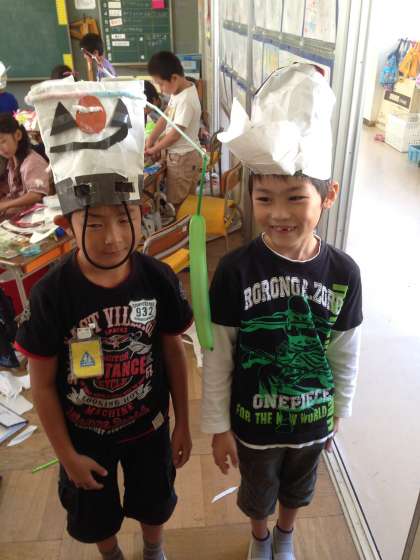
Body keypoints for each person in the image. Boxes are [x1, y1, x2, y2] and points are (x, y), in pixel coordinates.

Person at [16, 77, 192, 560]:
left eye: (124, 218)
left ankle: (153, 551)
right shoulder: (52, 295)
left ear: (141, 213)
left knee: (155, 499)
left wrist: (183, 422)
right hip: (83, 436)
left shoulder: (157, 279)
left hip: (149, 427)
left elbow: (173, 351)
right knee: (92, 511)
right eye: (94, 223)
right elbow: (42, 385)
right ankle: (112, 555)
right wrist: (65, 455)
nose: (113, 237)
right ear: (67, 226)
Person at [202, 64, 363, 560]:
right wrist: (219, 425)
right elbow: (219, 356)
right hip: (253, 421)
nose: (278, 213)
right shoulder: (235, 270)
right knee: (258, 492)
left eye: (295, 198)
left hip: (312, 419)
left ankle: (286, 535)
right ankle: (260, 537)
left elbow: (345, 350)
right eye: (264, 198)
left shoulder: (343, 273)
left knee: (298, 488)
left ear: (328, 196)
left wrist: (339, 411)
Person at [145, 51, 202, 209]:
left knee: (180, 204)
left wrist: (155, 148)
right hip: (180, 156)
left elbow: (175, 135)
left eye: (161, 84)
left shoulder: (186, 100)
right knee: (184, 202)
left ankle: (184, 224)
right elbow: (165, 117)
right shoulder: (178, 91)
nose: (161, 90)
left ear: (174, 78)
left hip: (183, 158)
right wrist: (151, 138)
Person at [0, 112, 50, 216]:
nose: (0, 149)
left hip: (40, 215)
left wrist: (5, 205)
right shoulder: (12, 162)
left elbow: (36, 195)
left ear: (18, 135)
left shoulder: (32, 161)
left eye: (2, 142)